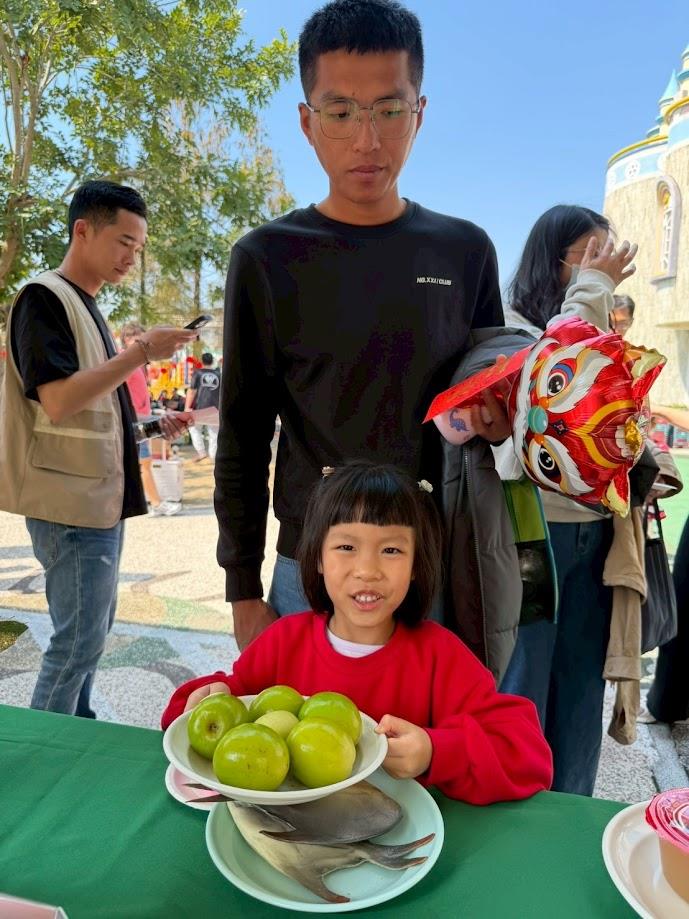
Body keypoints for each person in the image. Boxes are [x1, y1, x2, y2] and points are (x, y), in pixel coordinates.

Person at [216, 0, 508, 652]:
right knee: (302, 723)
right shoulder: (266, 257)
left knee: (424, 724)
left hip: (431, 566)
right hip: (310, 570)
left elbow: (490, 402)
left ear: (419, 113)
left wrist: (499, 418)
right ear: (307, 121)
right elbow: (241, 433)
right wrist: (242, 590)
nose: (367, 141)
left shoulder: (464, 251)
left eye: (389, 110)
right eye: (341, 112)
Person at [162, 462, 553, 803]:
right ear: (317, 557)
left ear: (417, 565)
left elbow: (530, 756)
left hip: (400, 839)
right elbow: (193, 714)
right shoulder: (284, 641)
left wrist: (435, 751)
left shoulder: (439, 655)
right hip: (285, 834)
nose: (367, 570)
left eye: (391, 550)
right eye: (347, 547)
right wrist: (208, 695)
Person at [0, 180, 197, 717]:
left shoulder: (84, 308)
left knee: (90, 634)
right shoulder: (44, 297)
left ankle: (77, 730)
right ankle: (46, 746)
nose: (132, 257)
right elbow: (59, 401)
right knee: (77, 642)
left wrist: (152, 427)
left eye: (138, 247)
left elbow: (95, 416)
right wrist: (141, 352)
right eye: (124, 242)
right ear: (82, 231)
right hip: (69, 505)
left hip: (93, 500)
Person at [498, 204, 642, 795]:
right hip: (532, 528)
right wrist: (594, 288)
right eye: (588, 254)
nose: (602, 265)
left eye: (606, 254)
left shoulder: (596, 322)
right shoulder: (510, 326)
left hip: (597, 529)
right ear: (551, 258)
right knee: (525, 677)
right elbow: (555, 383)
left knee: (582, 683)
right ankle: (514, 810)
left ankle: (573, 812)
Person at [121, 321, 181, 516]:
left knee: (143, 462)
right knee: (144, 462)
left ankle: (151, 502)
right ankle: (155, 503)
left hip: (141, 417)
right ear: (128, 340)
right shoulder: (125, 361)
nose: (144, 343)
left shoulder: (138, 364)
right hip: (136, 419)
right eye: (139, 339)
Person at [185, 352, 220, 462]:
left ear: (202, 361)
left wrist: (187, 407)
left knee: (194, 429)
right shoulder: (219, 374)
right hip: (215, 408)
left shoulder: (198, 373)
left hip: (200, 407)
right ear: (212, 361)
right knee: (214, 432)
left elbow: (192, 391)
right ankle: (213, 456)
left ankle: (201, 452)